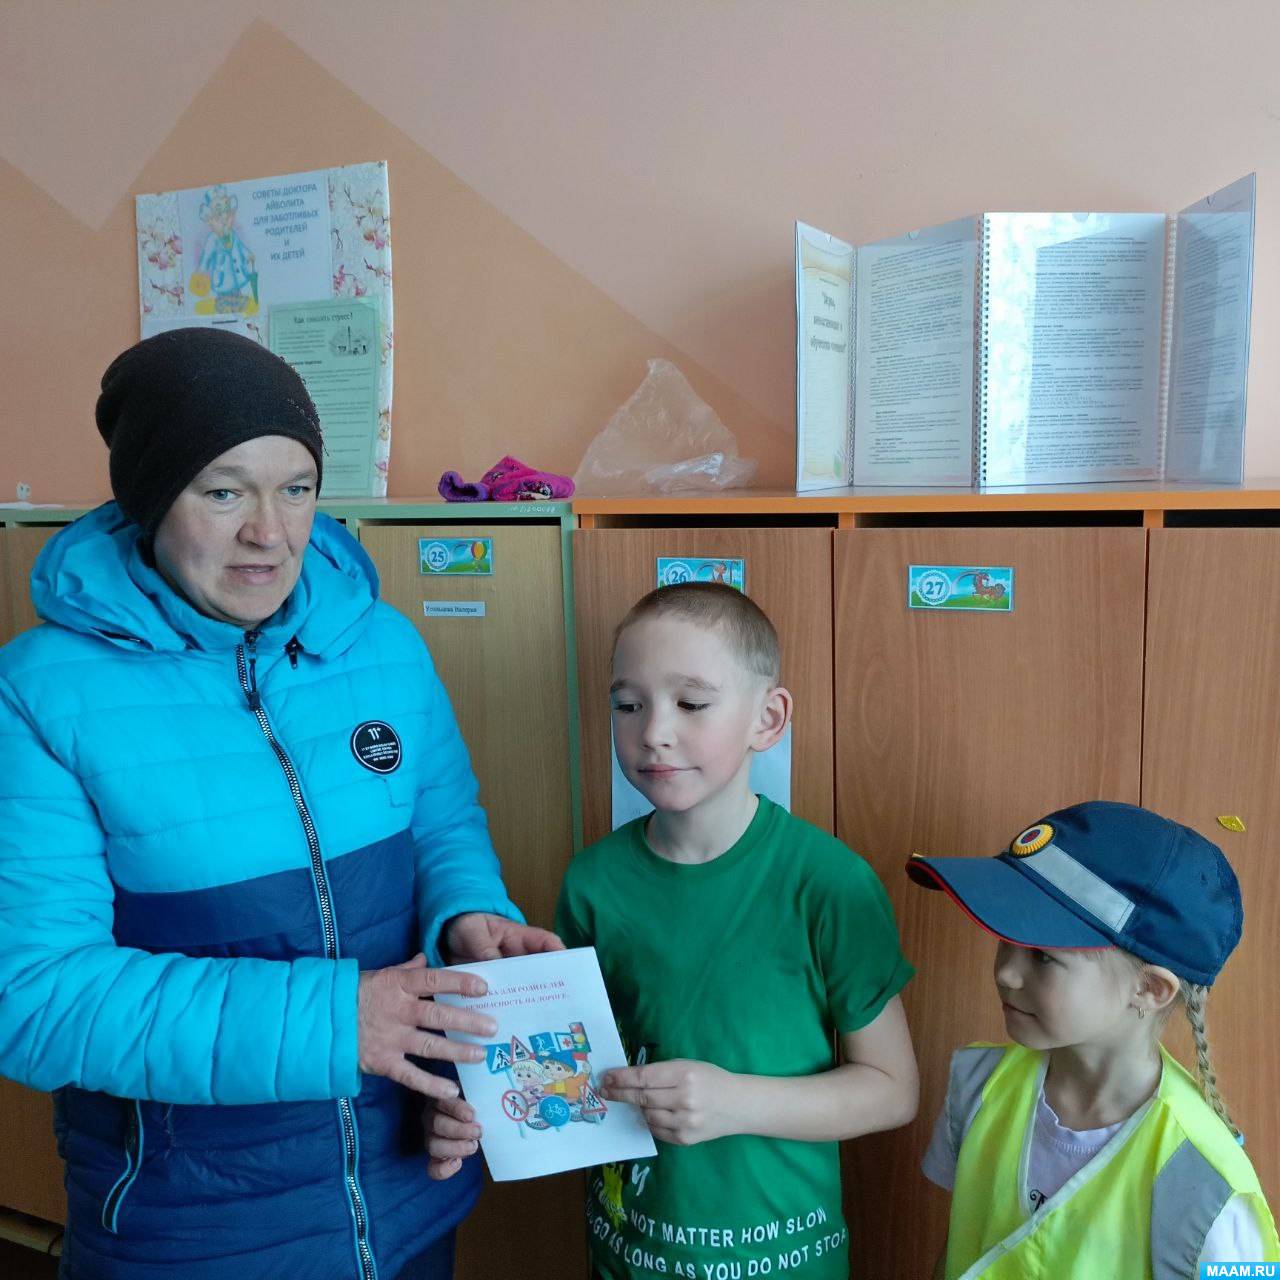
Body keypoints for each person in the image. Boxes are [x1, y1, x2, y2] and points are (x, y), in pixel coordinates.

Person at [0, 328, 562, 1280]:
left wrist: (469, 915)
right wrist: (340, 1021)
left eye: (296, 487)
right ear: (149, 498)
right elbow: (35, 998)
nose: (271, 532)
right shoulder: (39, 695)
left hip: (410, 1196)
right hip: (198, 1234)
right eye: (223, 492)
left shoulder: (383, 645)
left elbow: (443, 825)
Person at [427, 582, 919, 1278]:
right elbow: (571, 1067)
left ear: (767, 719)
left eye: (691, 704)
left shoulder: (830, 883)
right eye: (628, 705)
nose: (654, 731)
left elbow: (893, 1089)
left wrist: (734, 1102)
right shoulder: (593, 880)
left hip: (780, 1258)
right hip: (630, 1249)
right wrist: (482, 1108)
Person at [907, 800, 1280, 1278]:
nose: (1006, 973)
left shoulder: (1206, 1183)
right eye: (1007, 940)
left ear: (1149, 989)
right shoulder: (977, 1085)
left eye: (1043, 956)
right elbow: (964, 1250)